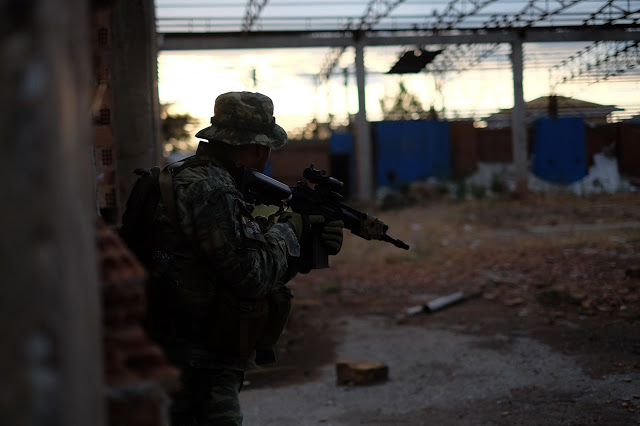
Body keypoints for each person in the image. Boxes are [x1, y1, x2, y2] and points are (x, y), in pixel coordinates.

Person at [143, 91, 344, 425]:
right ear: (257, 146)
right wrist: (290, 232)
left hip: (182, 347)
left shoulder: (187, 175)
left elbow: (222, 262)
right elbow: (249, 277)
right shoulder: (213, 189)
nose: (265, 156)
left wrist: (300, 254)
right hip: (199, 361)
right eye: (264, 147)